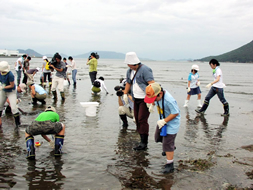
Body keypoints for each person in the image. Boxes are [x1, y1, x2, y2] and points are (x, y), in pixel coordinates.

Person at [144, 83, 180, 173]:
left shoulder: (169, 100)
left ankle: (170, 164)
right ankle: (170, 147)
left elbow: (175, 113)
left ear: (160, 94)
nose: (154, 100)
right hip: (162, 120)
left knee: (167, 143)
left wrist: (164, 121)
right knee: (157, 138)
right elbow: (154, 99)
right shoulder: (157, 95)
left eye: (154, 98)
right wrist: (152, 104)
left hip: (171, 123)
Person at [123, 52, 155, 151]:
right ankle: (141, 140)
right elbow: (128, 82)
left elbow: (152, 84)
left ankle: (144, 143)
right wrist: (125, 93)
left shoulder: (145, 70)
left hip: (144, 99)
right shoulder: (129, 71)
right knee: (137, 119)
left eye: (129, 64)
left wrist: (151, 101)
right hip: (135, 98)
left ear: (133, 63)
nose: (128, 66)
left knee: (142, 119)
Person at [0, 61, 21, 127]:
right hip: (3, 91)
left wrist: (3, 87)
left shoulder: (10, 75)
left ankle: (18, 124)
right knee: (0, 106)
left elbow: (12, 85)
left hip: (11, 91)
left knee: (14, 108)